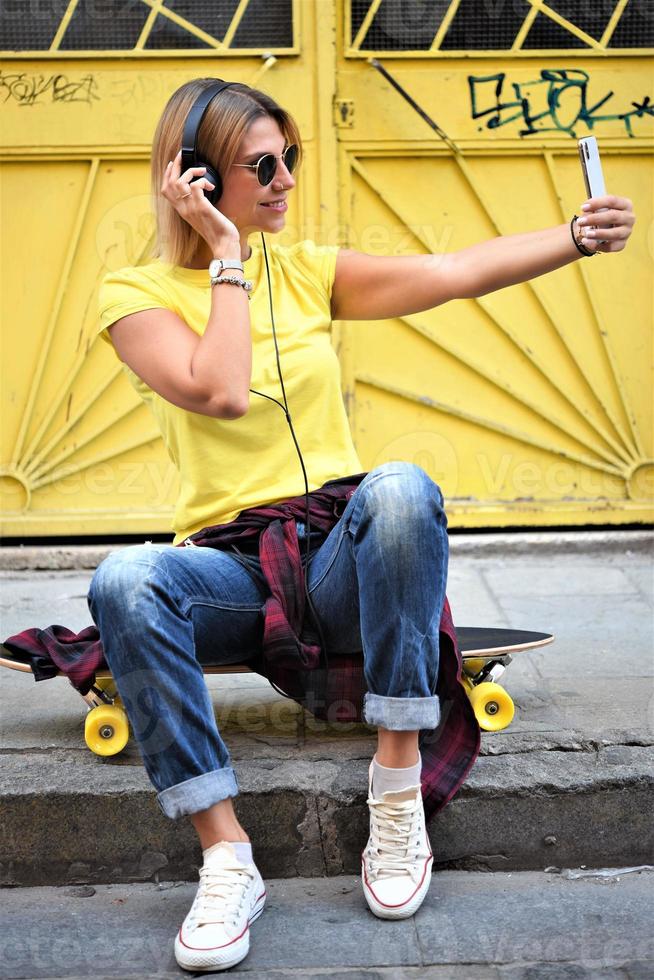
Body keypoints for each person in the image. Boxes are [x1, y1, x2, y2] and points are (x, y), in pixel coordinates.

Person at [88, 76, 635, 973]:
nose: (284, 180)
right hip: (232, 571)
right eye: (261, 164)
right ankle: (226, 855)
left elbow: (451, 273)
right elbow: (221, 392)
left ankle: (395, 790)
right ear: (192, 178)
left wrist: (574, 239)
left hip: (338, 565)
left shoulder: (307, 272)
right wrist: (226, 257)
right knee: (122, 581)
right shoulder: (132, 296)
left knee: (400, 486)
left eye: (289, 159)